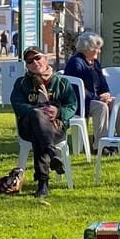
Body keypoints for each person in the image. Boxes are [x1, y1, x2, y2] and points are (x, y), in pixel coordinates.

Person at [8, 47, 76, 199]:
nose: (34, 63)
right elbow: (17, 104)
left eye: (37, 58)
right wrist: (39, 111)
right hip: (28, 127)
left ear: (46, 59)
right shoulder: (22, 83)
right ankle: (51, 155)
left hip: (56, 128)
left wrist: (58, 112)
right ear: (26, 65)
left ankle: (43, 182)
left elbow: (72, 105)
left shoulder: (61, 82)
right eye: (30, 61)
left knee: (40, 135)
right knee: (37, 116)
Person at [61, 31, 115, 141]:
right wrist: (98, 98)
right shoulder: (75, 63)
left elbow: (102, 81)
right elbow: (77, 90)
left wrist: (106, 94)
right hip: (80, 102)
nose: (99, 51)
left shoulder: (95, 63)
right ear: (88, 48)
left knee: (117, 102)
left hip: (94, 99)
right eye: (97, 48)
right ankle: (101, 144)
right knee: (101, 107)